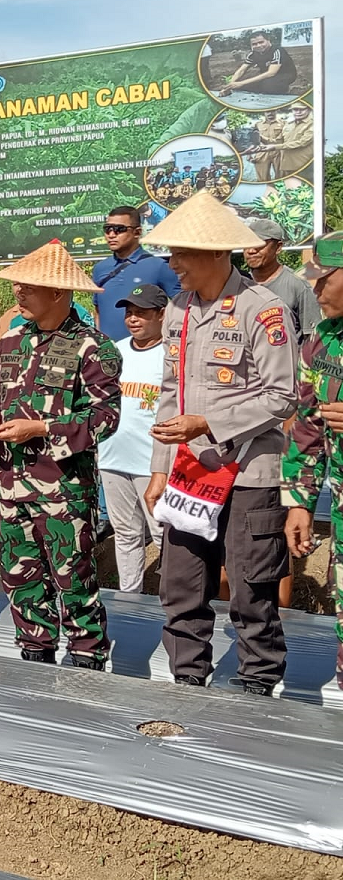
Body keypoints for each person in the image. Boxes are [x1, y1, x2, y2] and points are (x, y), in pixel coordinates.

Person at [141, 192, 297, 695]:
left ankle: (257, 687)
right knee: (181, 586)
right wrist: (160, 468)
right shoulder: (178, 310)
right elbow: (171, 392)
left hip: (249, 473)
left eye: (180, 254)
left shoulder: (263, 309)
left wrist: (207, 423)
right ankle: (187, 681)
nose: (173, 264)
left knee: (252, 590)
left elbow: (282, 397)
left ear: (214, 253)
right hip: (190, 472)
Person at [0, 241, 120, 669]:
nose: (17, 291)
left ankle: (87, 664)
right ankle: (35, 660)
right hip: (10, 485)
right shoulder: (10, 342)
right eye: (17, 284)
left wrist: (40, 429)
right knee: (20, 580)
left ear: (58, 292)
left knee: (74, 582)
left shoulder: (93, 348)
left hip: (63, 490)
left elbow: (105, 417)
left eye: (28, 286)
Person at [283, 232, 343, 691]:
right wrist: (300, 502)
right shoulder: (322, 340)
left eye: (324, 279)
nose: (315, 289)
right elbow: (307, 426)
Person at [97, 285, 167, 594]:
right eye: (129, 313)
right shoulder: (116, 351)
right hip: (113, 458)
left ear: (162, 315)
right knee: (126, 534)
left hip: (153, 464)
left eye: (141, 313)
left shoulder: (172, 355)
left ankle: (173, 601)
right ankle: (129, 600)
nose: (133, 319)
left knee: (163, 534)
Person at [92, 206, 181, 341]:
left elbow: (182, 308)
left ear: (137, 232)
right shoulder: (100, 269)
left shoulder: (159, 266)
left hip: (147, 349)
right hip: (107, 350)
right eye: (107, 229)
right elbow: (98, 312)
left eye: (119, 229)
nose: (111, 234)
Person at [243, 218, 321, 343]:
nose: (251, 251)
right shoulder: (239, 284)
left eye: (259, 245)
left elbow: (312, 340)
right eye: (247, 243)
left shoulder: (298, 286)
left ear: (278, 247)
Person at [220, 31, 297, 97]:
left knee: (268, 86)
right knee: (239, 86)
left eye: (261, 42)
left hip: (285, 74)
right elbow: (241, 70)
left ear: (268, 40)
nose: (258, 46)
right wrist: (230, 85)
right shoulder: (253, 54)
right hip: (266, 76)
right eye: (254, 44)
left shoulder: (277, 51)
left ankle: (285, 89)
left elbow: (271, 73)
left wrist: (241, 83)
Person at [270, 101, 313, 179]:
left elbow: (302, 142)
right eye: (295, 109)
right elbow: (278, 140)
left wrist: (274, 147)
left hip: (304, 166)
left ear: (309, 109)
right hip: (286, 165)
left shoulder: (313, 124)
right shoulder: (289, 124)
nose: (298, 112)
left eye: (302, 109)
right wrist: (260, 140)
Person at [250, 111, 284, 182]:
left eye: (272, 111)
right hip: (262, 152)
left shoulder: (284, 124)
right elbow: (252, 140)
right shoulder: (258, 124)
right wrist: (249, 154)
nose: (270, 113)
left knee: (281, 178)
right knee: (262, 179)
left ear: (276, 110)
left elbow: (280, 140)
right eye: (267, 111)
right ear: (264, 112)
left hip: (278, 152)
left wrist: (261, 137)